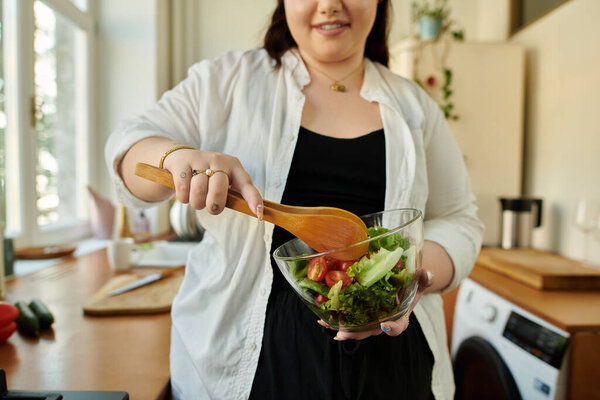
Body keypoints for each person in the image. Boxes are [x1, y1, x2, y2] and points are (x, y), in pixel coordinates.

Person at [105, 0, 483, 398]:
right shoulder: (224, 80)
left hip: (394, 365)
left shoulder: (415, 106)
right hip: (256, 363)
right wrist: (175, 158)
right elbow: (128, 147)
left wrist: (412, 278)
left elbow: (459, 218)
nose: (330, 5)